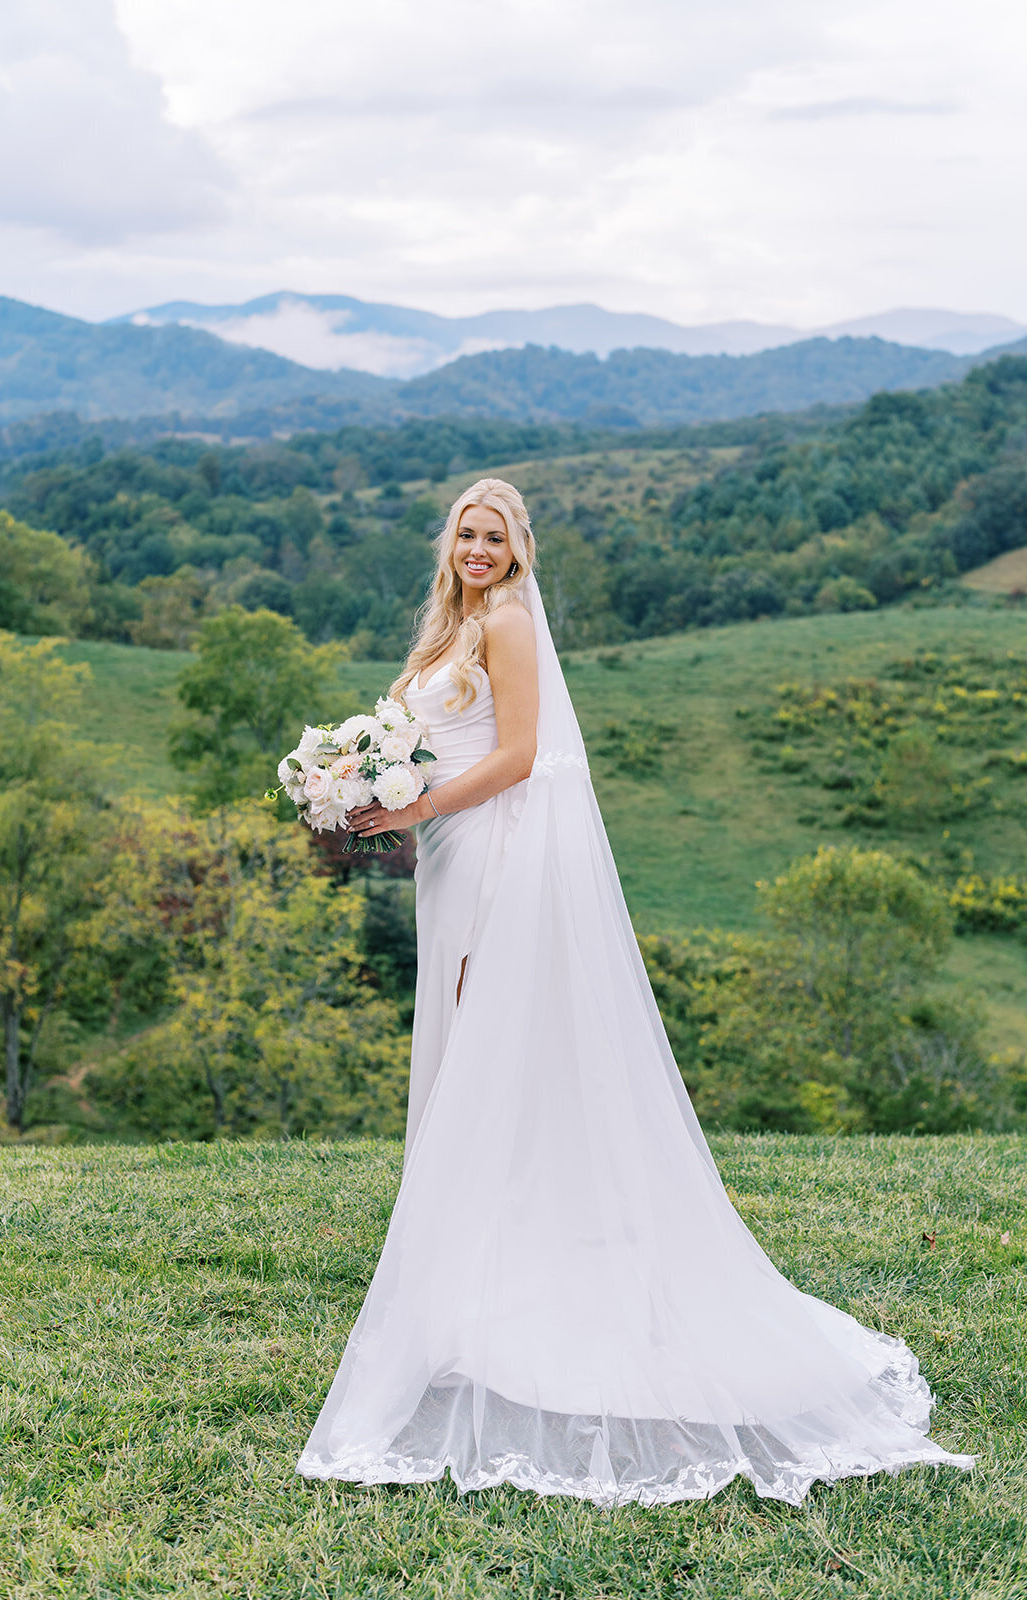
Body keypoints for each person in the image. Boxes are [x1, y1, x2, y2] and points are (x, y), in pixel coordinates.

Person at [296, 478, 975, 1508]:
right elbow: (423, 734)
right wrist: (358, 778)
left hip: (491, 855)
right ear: (452, 545)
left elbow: (521, 757)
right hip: (448, 858)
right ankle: (469, 1271)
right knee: (466, 1060)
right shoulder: (455, 622)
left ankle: (483, 1278)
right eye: (466, 534)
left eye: (496, 536)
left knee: (482, 1062)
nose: (478, 549)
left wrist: (416, 802)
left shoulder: (511, 623)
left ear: (519, 550)